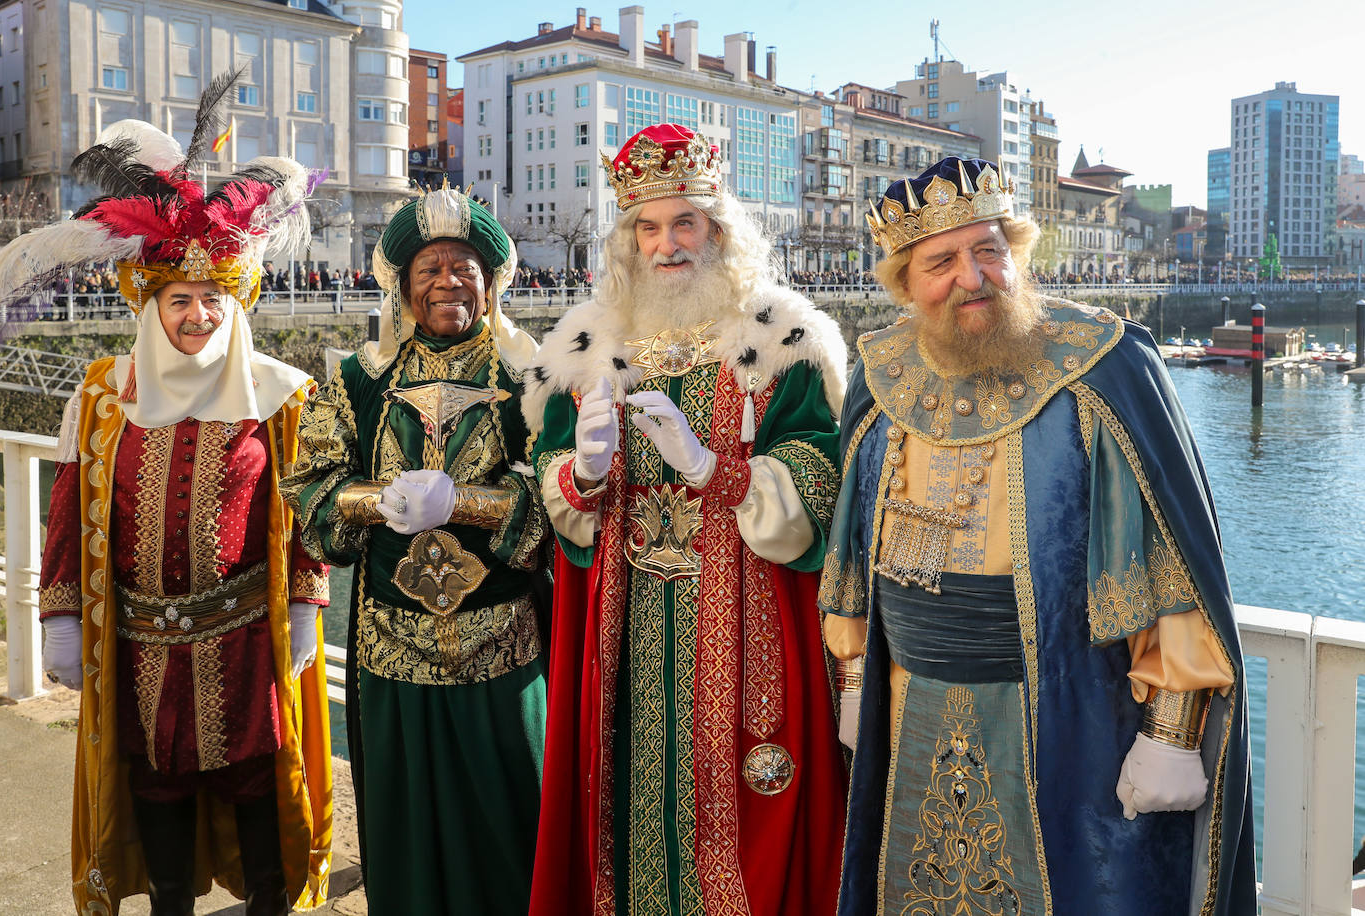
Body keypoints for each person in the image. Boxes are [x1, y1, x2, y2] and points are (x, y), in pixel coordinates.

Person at [820, 157, 1255, 915]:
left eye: (988, 249)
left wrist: (1173, 729)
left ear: (1016, 250)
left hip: (1071, 717)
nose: (972, 276)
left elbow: (1168, 558)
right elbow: (852, 544)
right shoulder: (879, 372)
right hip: (910, 706)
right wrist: (854, 676)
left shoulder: (1102, 365)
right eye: (941, 261)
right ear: (903, 281)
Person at [0, 106, 334, 915]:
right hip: (139, 642)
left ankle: (268, 903)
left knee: (258, 783)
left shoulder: (281, 396)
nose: (197, 317)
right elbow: (68, 510)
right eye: (180, 299)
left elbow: (304, 515)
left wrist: (305, 605)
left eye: (212, 301)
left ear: (236, 305)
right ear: (152, 304)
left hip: (246, 636)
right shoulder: (105, 395)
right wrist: (62, 617)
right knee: (155, 782)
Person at [524, 123, 849, 916]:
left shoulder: (781, 342)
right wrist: (583, 472)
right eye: (648, 226)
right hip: (623, 632)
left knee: (743, 820)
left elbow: (822, 475)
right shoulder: (588, 346)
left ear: (718, 229)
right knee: (625, 806)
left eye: (684, 223)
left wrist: (716, 470)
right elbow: (550, 481)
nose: (666, 245)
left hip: (745, 632)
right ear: (629, 239)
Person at [280, 186, 548, 915]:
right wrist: (374, 501)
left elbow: (562, 503)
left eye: (464, 267)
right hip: (391, 646)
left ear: (492, 283)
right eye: (428, 269)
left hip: (504, 648)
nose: (447, 282)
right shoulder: (358, 380)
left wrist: (462, 502)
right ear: (400, 286)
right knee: (405, 823)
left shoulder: (534, 379)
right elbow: (307, 486)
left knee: (511, 819)